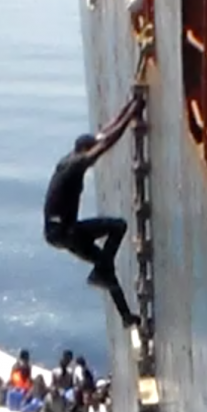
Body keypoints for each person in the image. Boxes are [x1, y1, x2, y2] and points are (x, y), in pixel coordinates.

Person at [43, 97, 141, 329]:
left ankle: (126, 316)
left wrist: (129, 105)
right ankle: (102, 272)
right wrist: (132, 116)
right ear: (86, 151)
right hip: (66, 231)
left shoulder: (69, 158)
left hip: (56, 233)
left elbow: (104, 133)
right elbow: (107, 144)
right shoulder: (78, 164)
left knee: (104, 264)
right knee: (118, 227)